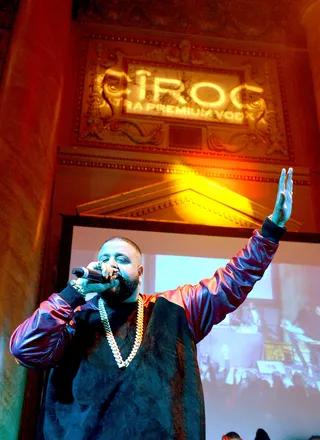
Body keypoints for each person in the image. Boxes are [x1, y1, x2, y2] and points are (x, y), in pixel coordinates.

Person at [10, 168, 293, 440]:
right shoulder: (77, 318)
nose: (111, 265)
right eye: (105, 258)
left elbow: (232, 281)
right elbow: (25, 349)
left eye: (122, 260)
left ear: (140, 272)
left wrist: (272, 229)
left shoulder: (173, 308)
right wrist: (73, 294)